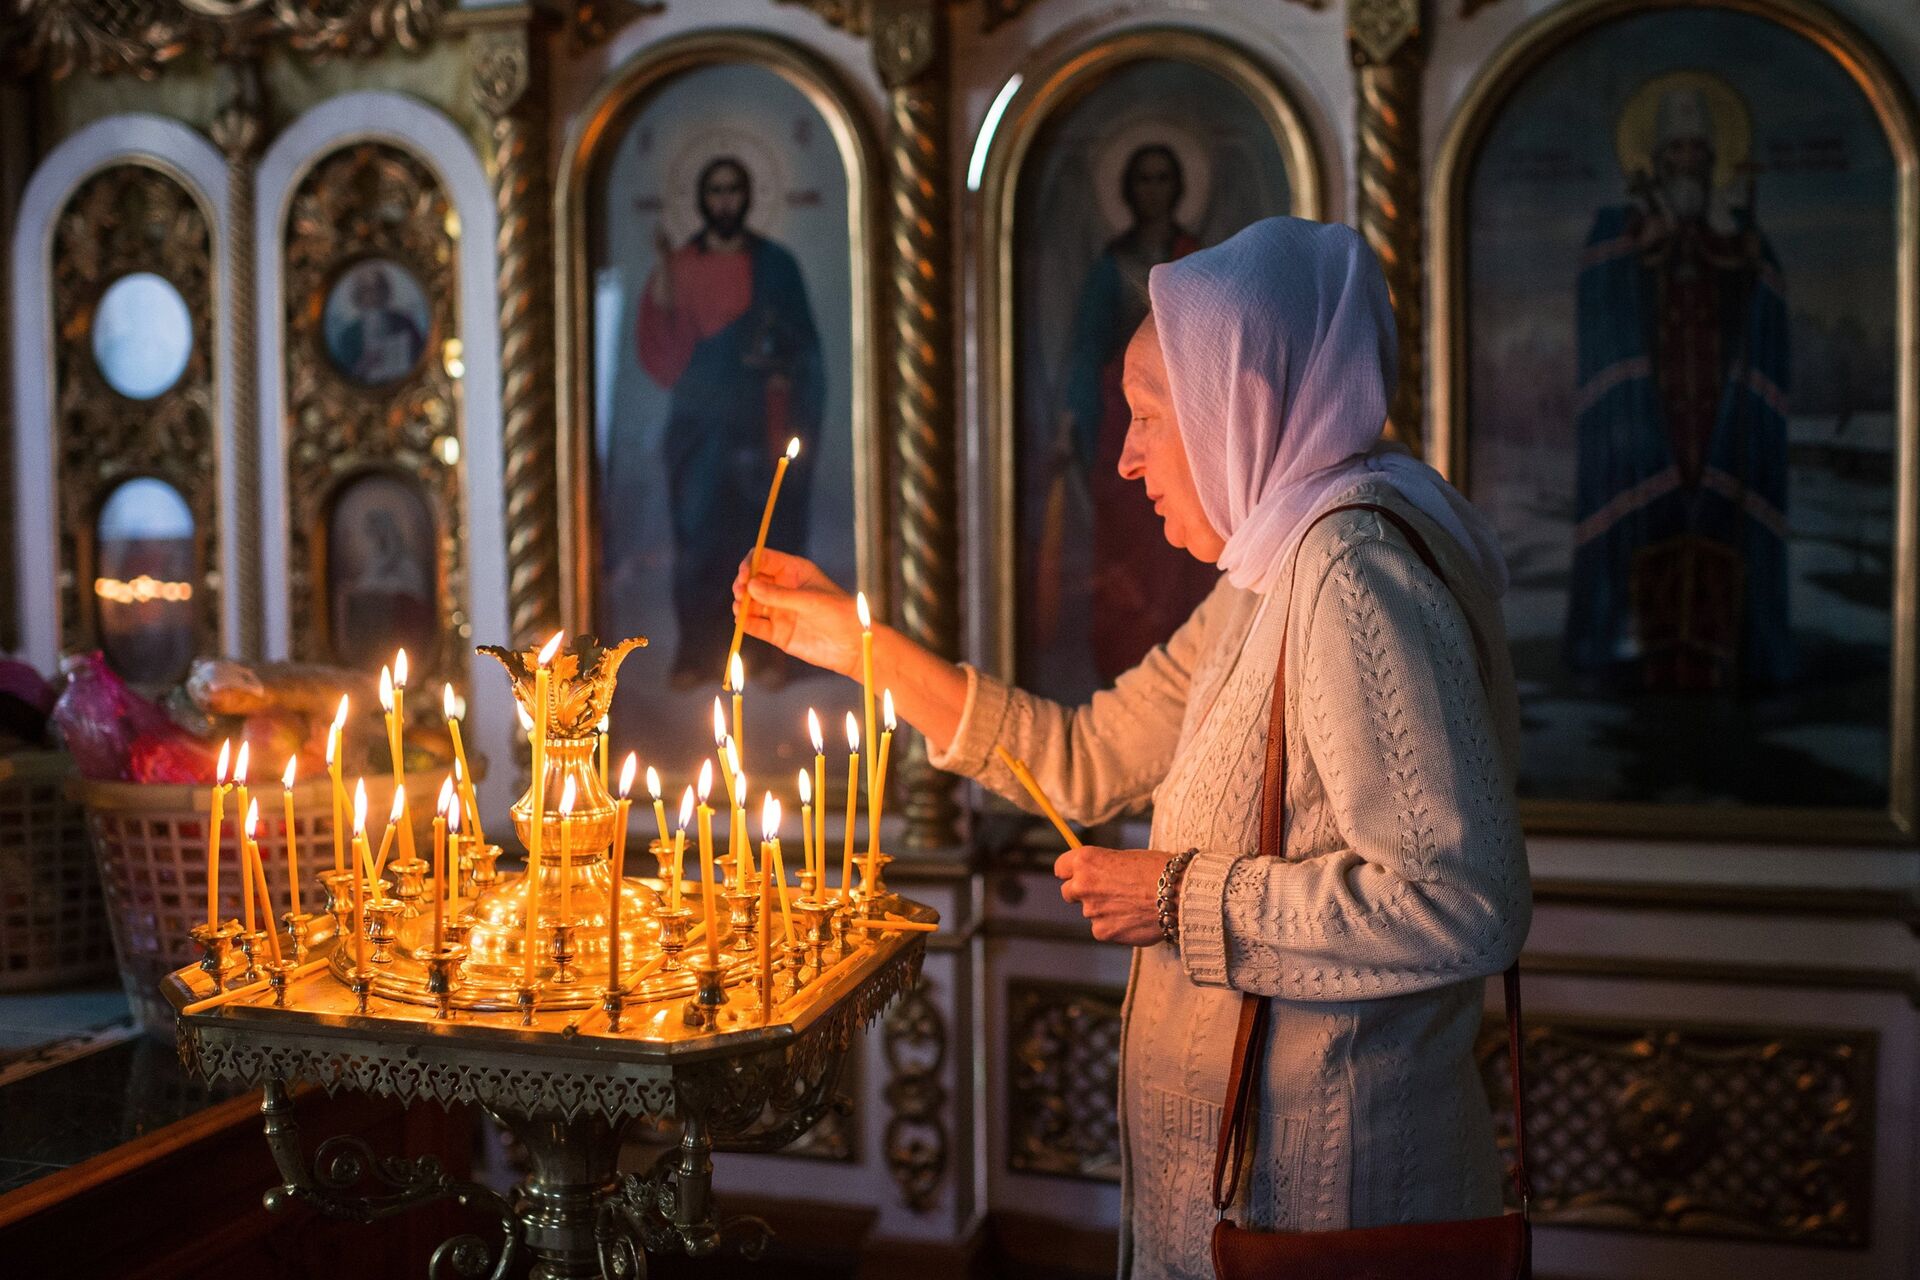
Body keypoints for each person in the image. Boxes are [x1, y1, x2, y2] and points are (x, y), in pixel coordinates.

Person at [734, 217, 1530, 1278]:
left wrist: (1177, 900)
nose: (1124, 454)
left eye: (1150, 414)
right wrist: (861, 645)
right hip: (1252, 1183)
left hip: (1328, 1196)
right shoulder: (1274, 567)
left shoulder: (1349, 573)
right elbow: (1087, 755)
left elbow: (1460, 898)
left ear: (1237, 404)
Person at [1569, 82, 1790, 691]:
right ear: (1657, 159)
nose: (1688, 161)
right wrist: (1636, 253)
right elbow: (1601, 283)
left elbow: (1765, 298)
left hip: (1718, 407)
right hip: (1649, 410)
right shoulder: (1620, 223)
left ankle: (1729, 654)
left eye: (1699, 151)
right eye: (1677, 151)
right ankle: (1637, 651)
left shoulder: (1735, 225)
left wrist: (1745, 265)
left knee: (1717, 513)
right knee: (1652, 514)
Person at [637, 155, 824, 688]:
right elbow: (664, 355)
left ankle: (765, 655)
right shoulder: (677, 265)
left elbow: (804, 349)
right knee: (698, 541)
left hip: (755, 427)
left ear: (748, 197)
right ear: (701, 198)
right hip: (697, 430)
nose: (724, 201)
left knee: (758, 542)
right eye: (715, 190)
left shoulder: (776, 266)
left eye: (734, 190)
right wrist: (667, 282)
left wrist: (777, 362)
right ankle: (697, 652)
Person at [1046, 143, 1220, 684]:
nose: (1153, 189)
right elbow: (1085, 353)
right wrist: (1077, 421)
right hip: (1120, 418)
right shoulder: (1110, 267)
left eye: (1163, 177)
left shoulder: (1195, 255)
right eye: (1143, 179)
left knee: (1181, 573)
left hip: (1180, 427)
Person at [332, 265, 425, 385]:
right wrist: (364, 365)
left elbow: (421, 359)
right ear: (358, 295)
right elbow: (341, 376)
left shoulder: (404, 323)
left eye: (378, 288)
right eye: (367, 290)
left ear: (385, 291)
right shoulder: (349, 335)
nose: (373, 296)